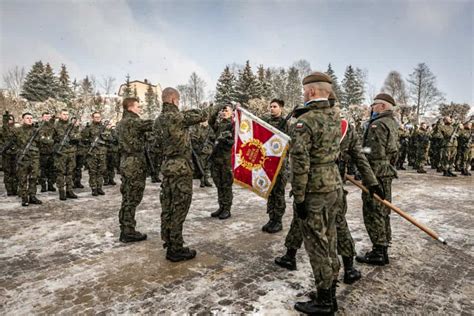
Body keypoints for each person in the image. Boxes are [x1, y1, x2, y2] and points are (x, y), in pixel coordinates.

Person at [289, 72, 342, 315]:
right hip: (333, 185)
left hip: (314, 190)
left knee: (317, 245)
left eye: (304, 90)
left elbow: (300, 163)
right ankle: (329, 290)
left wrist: (299, 197)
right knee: (330, 240)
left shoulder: (305, 121)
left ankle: (324, 301)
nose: (303, 94)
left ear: (310, 92)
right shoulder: (334, 116)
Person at [157, 87, 208, 261]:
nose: (178, 104)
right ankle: (176, 248)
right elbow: (203, 115)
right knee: (179, 207)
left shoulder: (158, 121)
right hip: (181, 168)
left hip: (167, 166)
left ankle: (168, 241)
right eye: (178, 101)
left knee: (167, 207)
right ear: (173, 100)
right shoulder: (178, 117)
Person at [356, 93, 399, 266]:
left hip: (375, 172)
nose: (371, 108)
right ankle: (383, 246)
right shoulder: (392, 123)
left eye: (374, 105)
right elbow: (394, 150)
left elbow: (372, 151)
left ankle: (379, 251)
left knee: (373, 210)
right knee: (383, 209)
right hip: (386, 170)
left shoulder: (377, 124)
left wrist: (359, 152)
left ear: (382, 106)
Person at [116, 97, 154, 243]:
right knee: (132, 197)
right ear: (131, 107)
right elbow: (152, 124)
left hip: (126, 161)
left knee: (127, 196)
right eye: (138, 106)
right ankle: (128, 231)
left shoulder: (121, 123)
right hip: (134, 163)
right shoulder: (133, 121)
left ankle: (126, 228)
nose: (140, 108)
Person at [261, 98, 288, 233]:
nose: (272, 108)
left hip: (280, 165)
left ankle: (278, 220)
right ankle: (271, 218)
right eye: (270, 106)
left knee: (278, 193)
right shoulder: (265, 122)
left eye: (275, 106)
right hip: (268, 163)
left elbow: (291, 143)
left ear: (281, 108)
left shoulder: (287, 124)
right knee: (270, 192)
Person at [209, 104, 234, 220]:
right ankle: (221, 206)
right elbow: (210, 120)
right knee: (218, 184)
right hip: (216, 158)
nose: (224, 112)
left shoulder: (233, 125)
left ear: (232, 113)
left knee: (226, 184)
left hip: (226, 159)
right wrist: (217, 109)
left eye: (226, 110)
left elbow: (234, 141)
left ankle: (227, 209)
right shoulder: (219, 125)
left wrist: (225, 140)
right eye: (222, 110)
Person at [13, 113, 42, 206]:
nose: (30, 120)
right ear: (23, 119)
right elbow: (12, 143)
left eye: (31, 118)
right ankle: (24, 197)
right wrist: (18, 151)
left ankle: (32, 196)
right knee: (23, 178)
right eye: (27, 118)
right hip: (23, 157)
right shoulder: (17, 131)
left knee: (34, 177)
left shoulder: (36, 131)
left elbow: (41, 143)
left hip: (34, 157)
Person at [53, 109, 80, 200]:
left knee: (70, 172)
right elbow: (51, 139)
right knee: (60, 172)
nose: (66, 116)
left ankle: (69, 190)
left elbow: (78, 136)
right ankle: (61, 191)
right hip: (61, 153)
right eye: (64, 114)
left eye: (67, 114)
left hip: (71, 152)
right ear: (60, 115)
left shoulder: (72, 126)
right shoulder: (55, 126)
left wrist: (73, 137)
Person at [82, 112, 110, 196]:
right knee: (92, 171)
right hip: (92, 153)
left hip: (102, 152)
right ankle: (93, 188)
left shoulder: (104, 127)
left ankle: (99, 187)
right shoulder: (89, 127)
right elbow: (83, 138)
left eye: (99, 117)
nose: (97, 118)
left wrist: (104, 135)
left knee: (101, 171)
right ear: (92, 118)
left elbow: (110, 138)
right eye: (96, 117)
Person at [38, 112, 56, 192]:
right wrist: (51, 140)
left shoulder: (53, 127)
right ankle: (43, 186)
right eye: (45, 117)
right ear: (42, 117)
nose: (47, 118)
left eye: (48, 117)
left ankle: (50, 185)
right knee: (43, 170)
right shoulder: (40, 127)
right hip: (43, 152)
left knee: (51, 170)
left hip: (52, 151)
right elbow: (42, 139)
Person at [1, 112, 18, 196]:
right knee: (7, 172)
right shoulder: (2, 130)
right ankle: (9, 190)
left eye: (11, 119)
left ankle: (15, 189)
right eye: (8, 119)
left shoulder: (16, 130)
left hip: (15, 153)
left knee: (15, 172)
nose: (10, 121)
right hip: (6, 154)